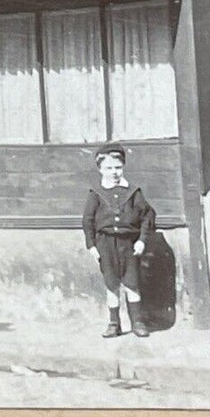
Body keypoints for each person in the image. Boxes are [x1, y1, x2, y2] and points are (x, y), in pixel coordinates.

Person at [82, 144, 156, 339]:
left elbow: (147, 216)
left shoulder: (133, 192)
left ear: (123, 167)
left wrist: (141, 240)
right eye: (108, 168)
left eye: (117, 167)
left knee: (132, 283)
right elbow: (88, 220)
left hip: (128, 244)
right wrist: (91, 245)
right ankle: (114, 324)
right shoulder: (96, 193)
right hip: (105, 244)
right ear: (100, 169)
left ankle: (137, 322)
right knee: (111, 284)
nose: (114, 172)